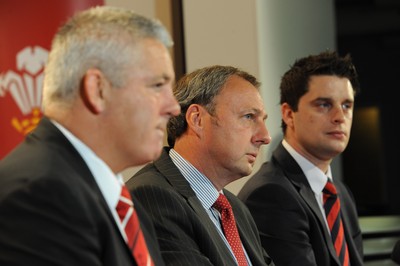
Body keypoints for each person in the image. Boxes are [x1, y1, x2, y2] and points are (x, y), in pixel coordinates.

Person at [0, 6, 180, 266]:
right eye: (157, 85)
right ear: (98, 90)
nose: (173, 107)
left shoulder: (125, 205)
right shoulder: (40, 195)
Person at [127, 65, 274, 266]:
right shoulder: (153, 197)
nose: (265, 137)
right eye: (249, 117)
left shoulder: (235, 209)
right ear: (197, 120)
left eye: (263, 120)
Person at [238, 51, 364, 266]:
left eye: (346, 105)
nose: (339, 117)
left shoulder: (340, 193)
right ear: (288, 114)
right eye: (324, 104)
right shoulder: (270, 194)